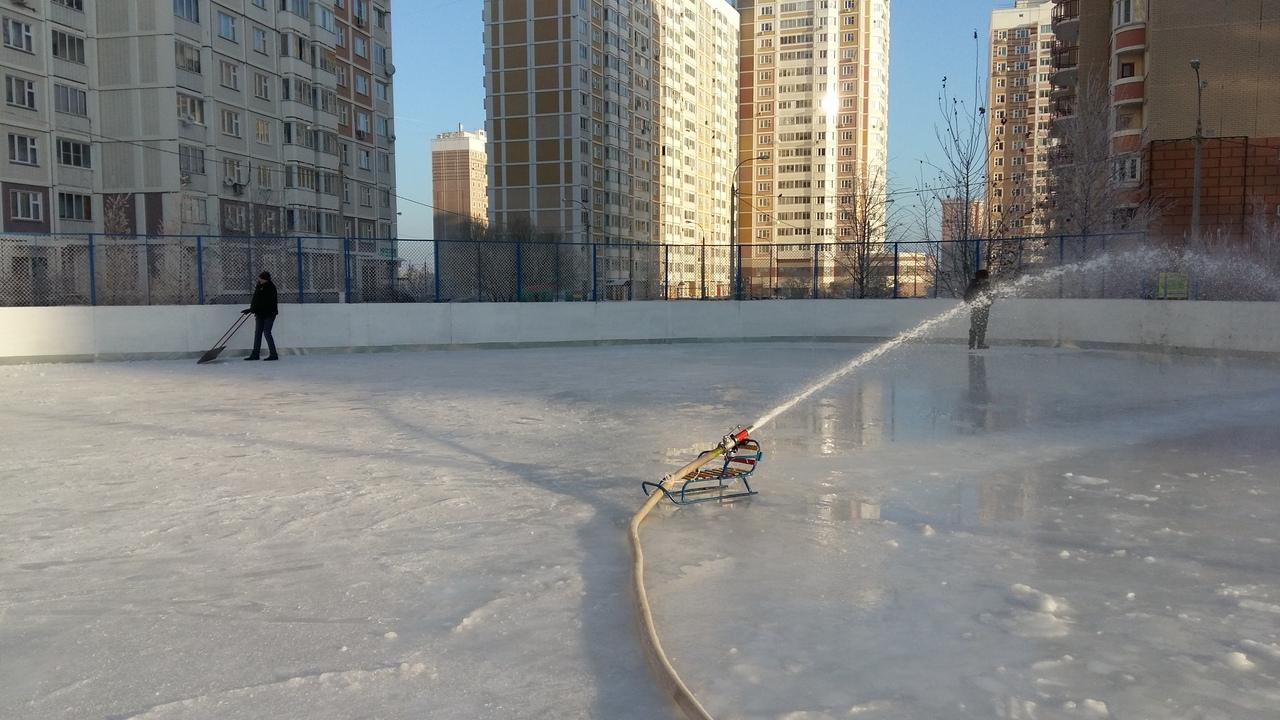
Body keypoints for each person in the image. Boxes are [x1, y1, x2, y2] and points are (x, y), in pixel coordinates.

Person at [243, 271, 279, 361]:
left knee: (267, 333)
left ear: (265, 279)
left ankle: (273, 354)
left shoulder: (271, 287)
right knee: (258, 333)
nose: (259, 279)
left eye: (261, 278)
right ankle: (255, 354)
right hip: (260, 313)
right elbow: (256, 299)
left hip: (269, 314)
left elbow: (265, 302)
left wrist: (252, 310)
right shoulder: (259, 286)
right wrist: (251, 308)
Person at [964, 269, 993, 350]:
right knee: (974, 326)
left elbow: (990, 296)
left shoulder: (986, 285)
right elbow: (966, 296)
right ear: (980, 278)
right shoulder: (973, 285)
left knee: (982, 326)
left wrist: (989, 302)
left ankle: (980, 343)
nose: (985, 280)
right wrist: (973, 303)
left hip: (984, 309)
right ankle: (972, 344)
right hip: (975, 309)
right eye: (984, 278)